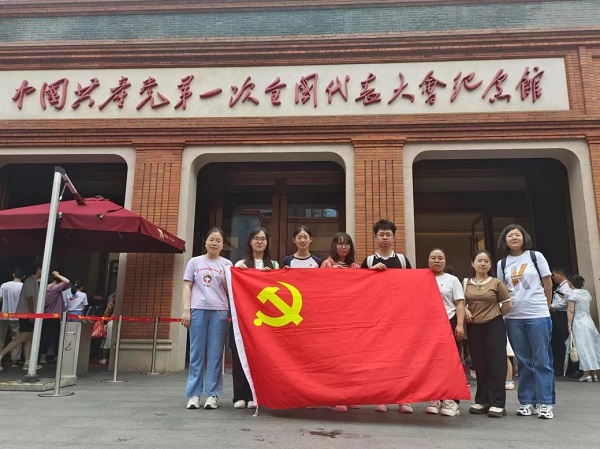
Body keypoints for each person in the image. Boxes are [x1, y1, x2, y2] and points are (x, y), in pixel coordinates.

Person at [496, 224, 554, 419]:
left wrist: (547, 306)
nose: (514, 238)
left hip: (537, 314)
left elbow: (548, 283)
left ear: (524, 237)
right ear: (504, 240)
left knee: (542, 360)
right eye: (510, 235)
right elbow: (502, 290)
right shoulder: (502, 263)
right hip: (513, 317)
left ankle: (545, 402)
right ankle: (527, 401)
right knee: (523, 361)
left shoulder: (535, 256)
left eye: (517, 235)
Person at [361, 219, 413, 414]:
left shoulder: (402, 260)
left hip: (399, 317)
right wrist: (371, 272)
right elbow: (361, 288)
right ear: (375, 238)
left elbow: (411, 287)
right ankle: (381, 397)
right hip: (377, 318)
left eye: (388, 234)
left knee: (402, 359)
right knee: (380, 359)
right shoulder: (368, 261)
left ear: (393, 237)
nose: (385, 237)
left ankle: (403, 399)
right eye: (381, 234)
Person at [182, 227, 232, 410]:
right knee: (196, 354)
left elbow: (230, 290)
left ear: (223, 245)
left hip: (219, 311)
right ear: (205, 241)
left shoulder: (227, 264)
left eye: (218, 241)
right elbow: (187, 287)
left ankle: (213, 394)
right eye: (211, 239)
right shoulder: (194, 262)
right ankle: (194, 395)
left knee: (215, 354)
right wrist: (186, 310)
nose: (214, 243)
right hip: (198, 310)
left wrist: (228, 278)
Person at [232, 227, 279, 409]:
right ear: (250, 241)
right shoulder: (241, 264)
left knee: (261, 358)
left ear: (267, 242)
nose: (259, 241)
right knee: (241, 356)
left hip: (266, 321)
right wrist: (238, 272)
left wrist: (272, 276)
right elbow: (231, 289)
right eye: (256, 238)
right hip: (245, 319)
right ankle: (239, 396)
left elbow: (281, 290)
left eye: (263, 239)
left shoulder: (274, 265)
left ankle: (256, 395)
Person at [464, 250, 512, 418]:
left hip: (494, 326)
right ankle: (482, 401)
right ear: (473, 263)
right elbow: (461, 302)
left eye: (486, 261)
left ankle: (497, 403)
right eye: (479, 261)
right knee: (479, 363)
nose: (483, 264)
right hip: (474, 327)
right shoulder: (466, 283)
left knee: (497, 363)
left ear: (490, 265)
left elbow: (507, 304)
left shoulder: (496, 283)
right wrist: (465, 310)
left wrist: (495, 315)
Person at [321, 232, 361, 412]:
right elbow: (318, 289)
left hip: (351, 319)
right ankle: (334, 398)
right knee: (334, 360)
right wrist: (330, 274)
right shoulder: (327, 264)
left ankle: (349, 395)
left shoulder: (356, 267)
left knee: (350, 360)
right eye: (340, 243)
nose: (343, 247)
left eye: (347, 244)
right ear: (334, 246)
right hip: (332, 319)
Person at [426, 248, 465, 417]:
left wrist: (460, 325)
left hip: (449, 321)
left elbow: (459, 303)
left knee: (451, 361)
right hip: (429, 325)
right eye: (433, 258)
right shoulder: (422, 278)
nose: (437, 261)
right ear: (428, 260)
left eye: (440, 258)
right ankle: (436, 397)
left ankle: (452, 400)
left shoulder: (452, 280)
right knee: (433, 362)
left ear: (445, 260)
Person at [0, 262, 42, 371]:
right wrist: (32, 314)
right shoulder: (29, 282)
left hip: (7, 314)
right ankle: (4, 356)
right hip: (25, 314)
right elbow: (30, 298)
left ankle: (28, 362)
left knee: (27, 338)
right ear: (37, 269)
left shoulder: (5, 285)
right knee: (21, 338)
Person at [565, 275, 600, 382]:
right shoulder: (586, 293)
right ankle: (594, 374)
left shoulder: (571, 294)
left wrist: (569, 324)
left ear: (571, 282)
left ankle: (586, 374)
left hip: (579, 322)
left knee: (582, 347)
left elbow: (570, 310)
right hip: (589, 322)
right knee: (592, 346)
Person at [550, 268, 577, 376]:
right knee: (560, 341)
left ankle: (571, 368)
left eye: (554, 275)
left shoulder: (566, 287)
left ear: (560, 274)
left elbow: (566, 302)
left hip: (563, 315)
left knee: (566, 340)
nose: (552, 277)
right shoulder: (560, 286)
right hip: (558, 315)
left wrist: (552, 306)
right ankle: (564, 368)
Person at [40, 270, 70, 364]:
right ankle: (57, 356)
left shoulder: (43, 289)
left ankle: (42, 358)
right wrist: (58, 275)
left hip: (45, 316)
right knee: (58, 337)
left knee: (45, 337)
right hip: (55, 316)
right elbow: (67, 281)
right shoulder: (55, 288)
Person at [0, 266, 25, 368]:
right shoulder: (23, 286)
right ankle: (14, 361)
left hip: (3, 314)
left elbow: (0, 300)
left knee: (1, 338)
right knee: (16, 338)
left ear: (13, 275)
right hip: (17, 315)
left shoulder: (4, 286)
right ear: (23, 276)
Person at [99, 292, 116, 365]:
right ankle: (105, 358)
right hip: (114, 320)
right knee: (108, 340)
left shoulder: (113, 296)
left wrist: (104, 320)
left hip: (111, 320)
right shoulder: (114, 296)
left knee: (106, 340)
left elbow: (108, 309)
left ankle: (103, 358)